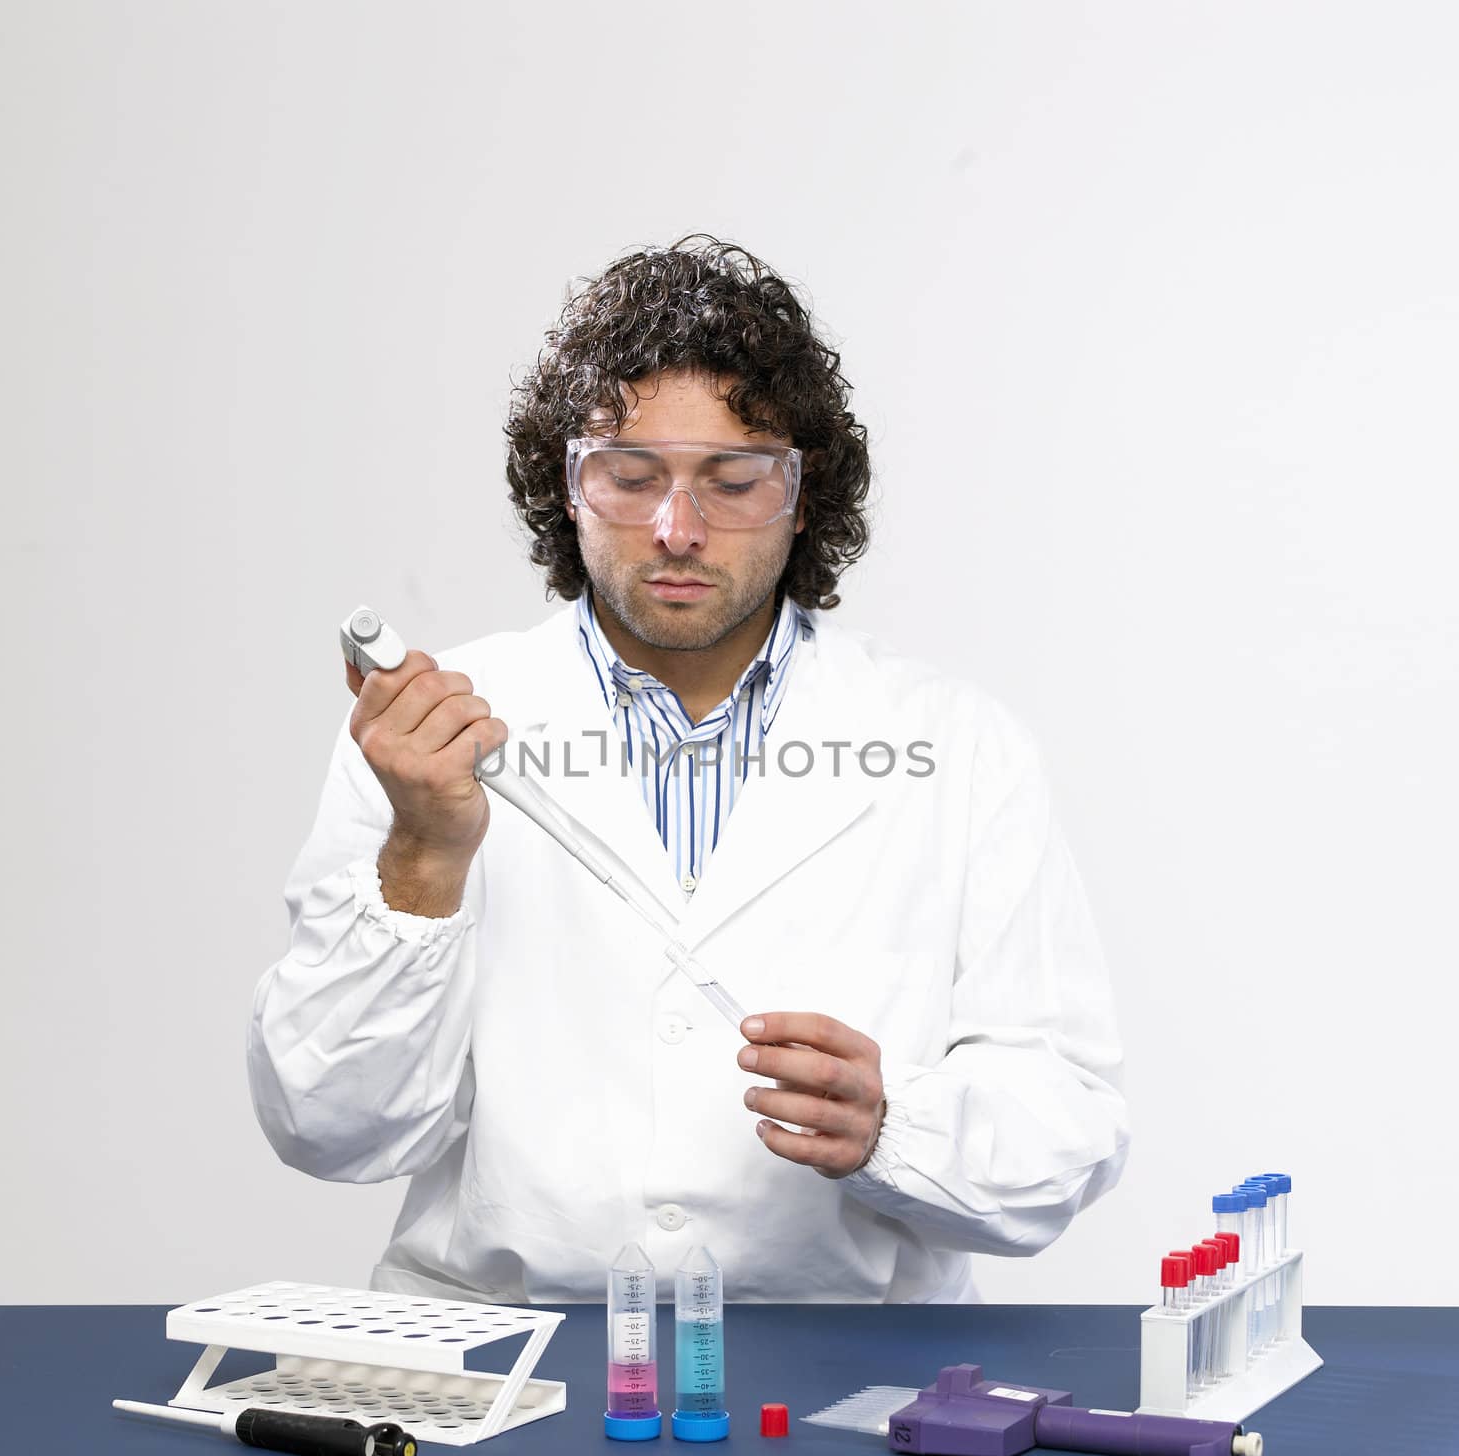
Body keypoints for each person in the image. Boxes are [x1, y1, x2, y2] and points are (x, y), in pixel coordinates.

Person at [248, 234, 1128, 1304]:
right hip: (501, 1365)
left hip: (840, 1383)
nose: (677, 528)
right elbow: (328, 1127)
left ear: (802, 496)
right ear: (569, 489)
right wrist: (424, 858)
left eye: (732, 479)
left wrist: (897, 1128)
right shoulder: (428, 743)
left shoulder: (959, 747)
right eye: (630, 476)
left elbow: (1068, 1129)